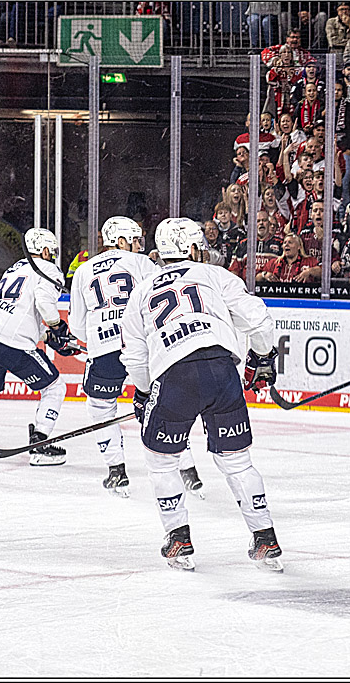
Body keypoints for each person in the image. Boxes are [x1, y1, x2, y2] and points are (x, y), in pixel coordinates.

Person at [120, 218, 283, 572]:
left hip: (174, 374)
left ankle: (179, 539)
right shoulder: (214, 275)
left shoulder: (142, 291)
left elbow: (134, 356)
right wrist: (263, 357)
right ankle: (265, 538)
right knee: (238, 461)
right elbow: (258, 321)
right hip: (222, 369)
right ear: (193, 249)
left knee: (162, 460)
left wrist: (144, 393)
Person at [69, 217, 205, 497]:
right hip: (140, 344)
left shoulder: (83, 271)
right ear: (120, 241)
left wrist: (100, 333)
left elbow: (77, 327)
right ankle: (187, 470)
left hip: (103, 350)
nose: (138, 246)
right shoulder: (143, 264)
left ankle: (116, 471)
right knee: (162, 404)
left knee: (101, 406)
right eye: (135, 240)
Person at [0, 228, 80, 465]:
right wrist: (59, 329)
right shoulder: (48, 269)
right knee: (54, 387)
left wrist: (48, 337)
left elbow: (20, 309)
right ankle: (40, 444)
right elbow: (43, 302)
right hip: (12, 343)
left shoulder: (16, 267)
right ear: (46, 250)